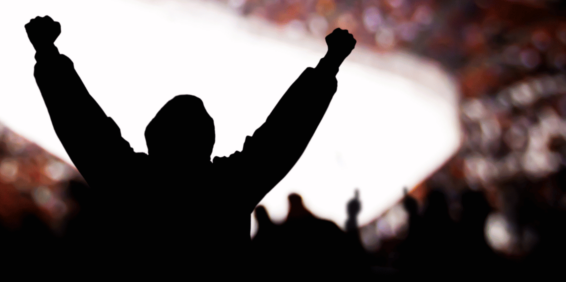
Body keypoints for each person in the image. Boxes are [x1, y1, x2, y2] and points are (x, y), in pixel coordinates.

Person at [25, 16, 356, 270]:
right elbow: (284, 135)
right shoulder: (230, 186)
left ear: (153, 136)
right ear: (207, 140)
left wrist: (49, 55)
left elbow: (83, 127)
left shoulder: (129, 180)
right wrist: (328, 67)